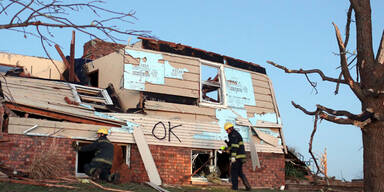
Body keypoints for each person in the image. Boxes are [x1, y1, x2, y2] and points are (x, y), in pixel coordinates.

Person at [223, 122, 251, 191]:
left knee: (234, 172)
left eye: (227, 130)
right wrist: (224, 149)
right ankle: (248, 186)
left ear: (230, 128)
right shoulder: (235, 134)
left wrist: (233, 157)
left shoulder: (233, 134)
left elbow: (235, 147)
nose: (227, 132)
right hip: (240, 157)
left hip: (237, 157)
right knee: (240, 172)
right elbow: (232, 147)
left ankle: (235, 188)